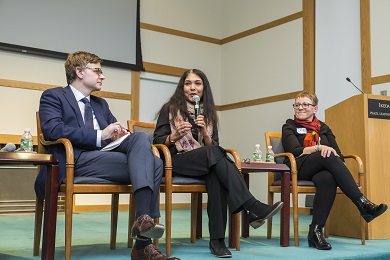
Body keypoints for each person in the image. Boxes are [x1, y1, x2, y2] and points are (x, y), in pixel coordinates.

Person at [35, 51, 180, 260]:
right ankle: (142, 246)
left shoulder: (100, 104)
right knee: (155, 163)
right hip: (75, 160)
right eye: (97, 71)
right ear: (79, 72)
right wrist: (99, 135)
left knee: (140, 141)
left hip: (106, 157)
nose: (102, 76)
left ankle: (142, 222)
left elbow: (115, 133)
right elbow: (53, 130)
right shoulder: (54, 96)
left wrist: (119, 133)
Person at [153, 69, 283, 258]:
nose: (192, 88)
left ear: (204, 88)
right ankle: (251, 207)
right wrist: (174, 136)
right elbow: (157, 142)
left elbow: (213, 146)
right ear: (182, 87)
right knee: (216, 155)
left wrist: (205, 133)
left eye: (197, 83)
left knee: (216, 173)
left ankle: (217, 241)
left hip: (204, 162)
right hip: (176, 161)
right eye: (188, 83)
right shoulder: (169, 108)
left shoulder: (208, 113)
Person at [282, 91, 387, 250]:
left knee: (328, 178)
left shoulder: (323, 127)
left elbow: (339, 153)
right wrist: (319, 148)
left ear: (315, 108)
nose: (300, 107)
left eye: (305, 104)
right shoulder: (289, 125)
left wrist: (328, 152)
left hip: (321, 168)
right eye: (297, 104)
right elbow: (294, 150)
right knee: (328, 155)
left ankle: (316, 231)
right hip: (298, 167)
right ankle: (362, 203)